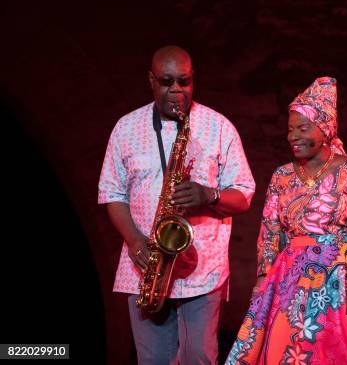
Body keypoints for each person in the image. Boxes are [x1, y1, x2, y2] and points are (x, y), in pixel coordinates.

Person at [226, 77, 347, 364]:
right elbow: (270, 234)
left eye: (302, 128)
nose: (293, 136)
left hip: (343, 277)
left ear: (324, 129)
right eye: (289, 130)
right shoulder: (281, 176)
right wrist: (261, 288)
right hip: (291, 282)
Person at [98, 45, 256, 365]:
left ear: (193, 80)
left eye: (183, 82)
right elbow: (112, 194)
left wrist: (208, 195)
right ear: (151, 80)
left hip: (203, 270)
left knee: (199, 357)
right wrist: (134, 240)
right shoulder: (126, 128)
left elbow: (243, 194)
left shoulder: (218, 127)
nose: (176, 91)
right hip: (146, 267)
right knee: (153, 361)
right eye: (167, 81)